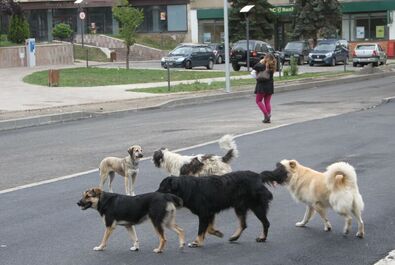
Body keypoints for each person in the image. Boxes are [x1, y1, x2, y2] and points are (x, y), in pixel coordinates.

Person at [253, 53, 277, 123]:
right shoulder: (272, 66)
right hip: (270, 86)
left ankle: (266, 115)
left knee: (258, 101)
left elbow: (255, 67)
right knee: (267, 102)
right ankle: (268, 116)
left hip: (262, 85)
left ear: (266, 58)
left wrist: (261, 61)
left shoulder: (262, 65)